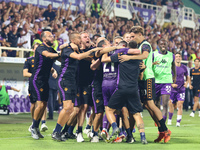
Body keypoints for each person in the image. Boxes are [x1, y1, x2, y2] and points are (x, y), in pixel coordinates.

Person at [119, 26, 172, 143]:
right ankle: (161, 130)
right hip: (140, 79)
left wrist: (127, 57)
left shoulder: (145, 45)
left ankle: (165, 130)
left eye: (133, 36)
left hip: (148, 78)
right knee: (147, 106)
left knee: (151, 104)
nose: (132, 38)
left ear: (139, 34)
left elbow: (145, 56)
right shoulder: (139, 45)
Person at [52, 31, 100, 142]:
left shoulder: (74, 49)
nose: (81, 40)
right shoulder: (68, 49)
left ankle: (60, 131)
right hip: (65, 80)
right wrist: (92, 51)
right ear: (73, 40)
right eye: (79, 38)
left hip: (72, 81)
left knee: (70, 109)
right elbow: (78, 57)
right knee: (68, 108)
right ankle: (56, 131)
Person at [29, 31, 60, 140]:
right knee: (40, 104)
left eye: (53, 36)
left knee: (44, 104)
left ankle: (36, 127)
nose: (53, 38)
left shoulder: (51, 49)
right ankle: (33, 127)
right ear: (44, 38)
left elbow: (58, 58)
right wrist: (61, 53)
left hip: (45, 80)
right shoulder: (41, 48)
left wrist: (68, 54)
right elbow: (49, 55)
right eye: (50, 36)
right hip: (37, 79)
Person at [23, 43, 49, 132]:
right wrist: (36, 76)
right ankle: (34, 121)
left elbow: (51, 68)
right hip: (33, 83)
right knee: (34, 104)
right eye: (36, 48)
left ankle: (43, 122)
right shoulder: (29, 60)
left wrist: (53, 71)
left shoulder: (44, 59)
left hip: (43, 82)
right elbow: (25, 73)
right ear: (33, 50)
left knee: (42, 102)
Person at [152, 39, 176, 122]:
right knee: (155, 103)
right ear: (158, 45)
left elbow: (173, 66)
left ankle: (163, 125)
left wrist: (174, 76)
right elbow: (148, 65)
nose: (163, 45)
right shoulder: (153, 55)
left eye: (165, 44)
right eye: (161, 44)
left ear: (167, 45)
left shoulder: (171, 55)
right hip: (155, 81)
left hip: (166, 81)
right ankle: (158, 119)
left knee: (165, 104)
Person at [167, 52, 189, 126]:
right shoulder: (170, 67)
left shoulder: (184, 67)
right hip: (172, 89)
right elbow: (167, 77)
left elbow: (187, 76)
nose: (178, 57)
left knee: (180, 105)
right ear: (174, 58)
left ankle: (178, 122)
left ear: (181, 58)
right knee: (171, 104)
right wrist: (171, 84)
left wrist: (187, 83)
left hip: (181, 89)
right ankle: (169, 120)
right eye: (176, 56)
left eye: (179, 56)